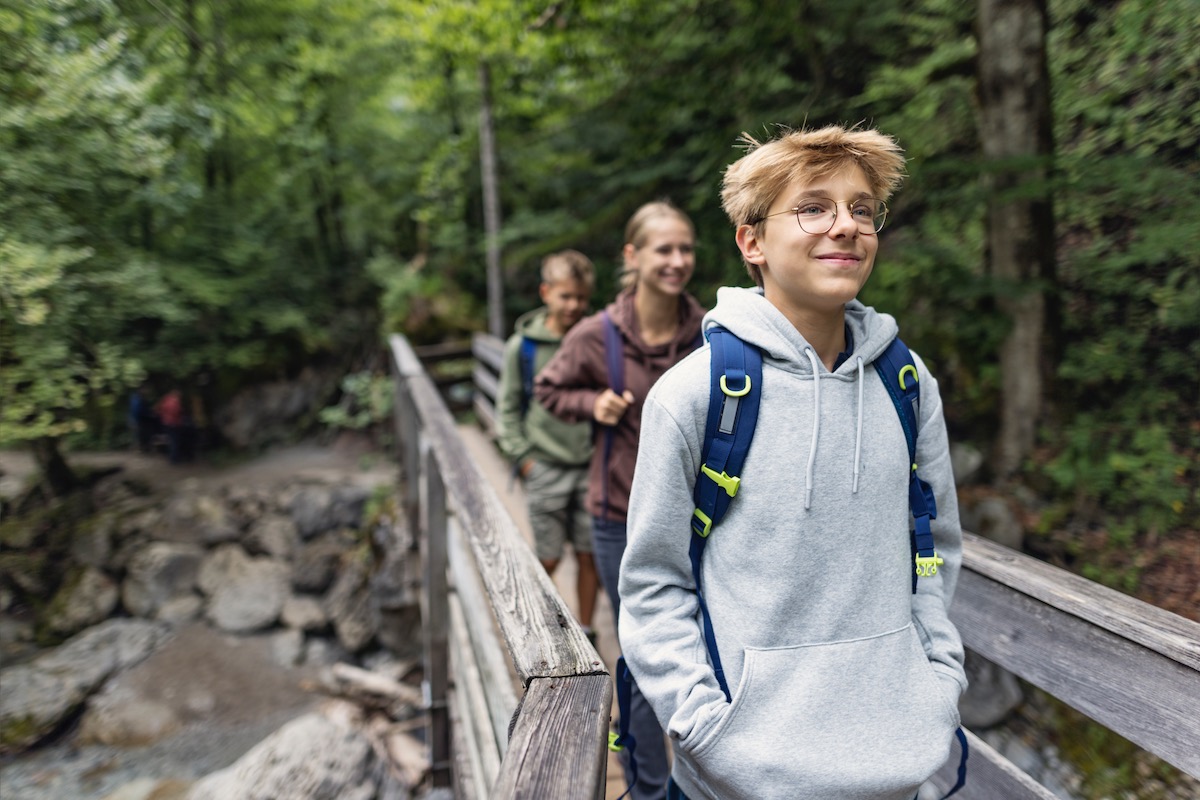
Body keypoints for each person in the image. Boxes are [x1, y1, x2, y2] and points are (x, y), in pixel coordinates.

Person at [617, 126, 967, 800]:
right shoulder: (696, 396)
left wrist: (938, 681)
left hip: (895, 769)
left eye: (862, 209)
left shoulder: (907, 382)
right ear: (752, 242)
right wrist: (707, 727)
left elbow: (936, 550)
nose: (846, 226)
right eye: (814, 207)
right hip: (736, 778)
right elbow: (654, 583)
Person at [536, 201, 706, 800]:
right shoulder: (596, 336)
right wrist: (593, 406)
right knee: (636, 650)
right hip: (618, 519)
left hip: (699, 523)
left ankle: (703, 781)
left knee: (702, 649)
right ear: (633, 258)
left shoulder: (711, 333)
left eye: (685, 249)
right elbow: (549, 387)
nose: (678, 261)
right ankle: (648, 786)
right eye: (664, 250)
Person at [495, 250, 600, 642]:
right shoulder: (522, 348)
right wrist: (525, 461)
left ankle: (588, 630)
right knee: (549, 555)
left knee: (590, 555)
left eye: (580, 298)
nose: (573, 306)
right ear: (546, 293)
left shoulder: (595, 340)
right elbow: (505, 409)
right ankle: (536, 631)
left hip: (591, 468)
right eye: (565, 296)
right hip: (544, 466)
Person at [154, 388, 185, 464]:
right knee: (175, 441)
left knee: (170, 440)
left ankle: (171, 457)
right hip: (174, 424)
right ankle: (174, 459)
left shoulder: (166, 399)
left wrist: (162, 416)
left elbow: (158, 409)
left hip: (165, 423)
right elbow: (177, 412)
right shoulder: (175, 401)